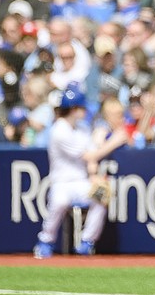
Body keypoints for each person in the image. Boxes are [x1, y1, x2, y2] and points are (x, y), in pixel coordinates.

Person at [33, 83, 127, 259]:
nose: (84, 110)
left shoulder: (82, 128)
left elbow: (91, 161)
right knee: (60, 202)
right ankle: (45, 241)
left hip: (81, 182)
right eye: (81, 107)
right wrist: (114, 142)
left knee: (101, 195)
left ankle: (86, 242)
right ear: (73, 108)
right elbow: (90, 156)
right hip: (61, 183)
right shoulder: (59, 130)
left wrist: (93, 176)